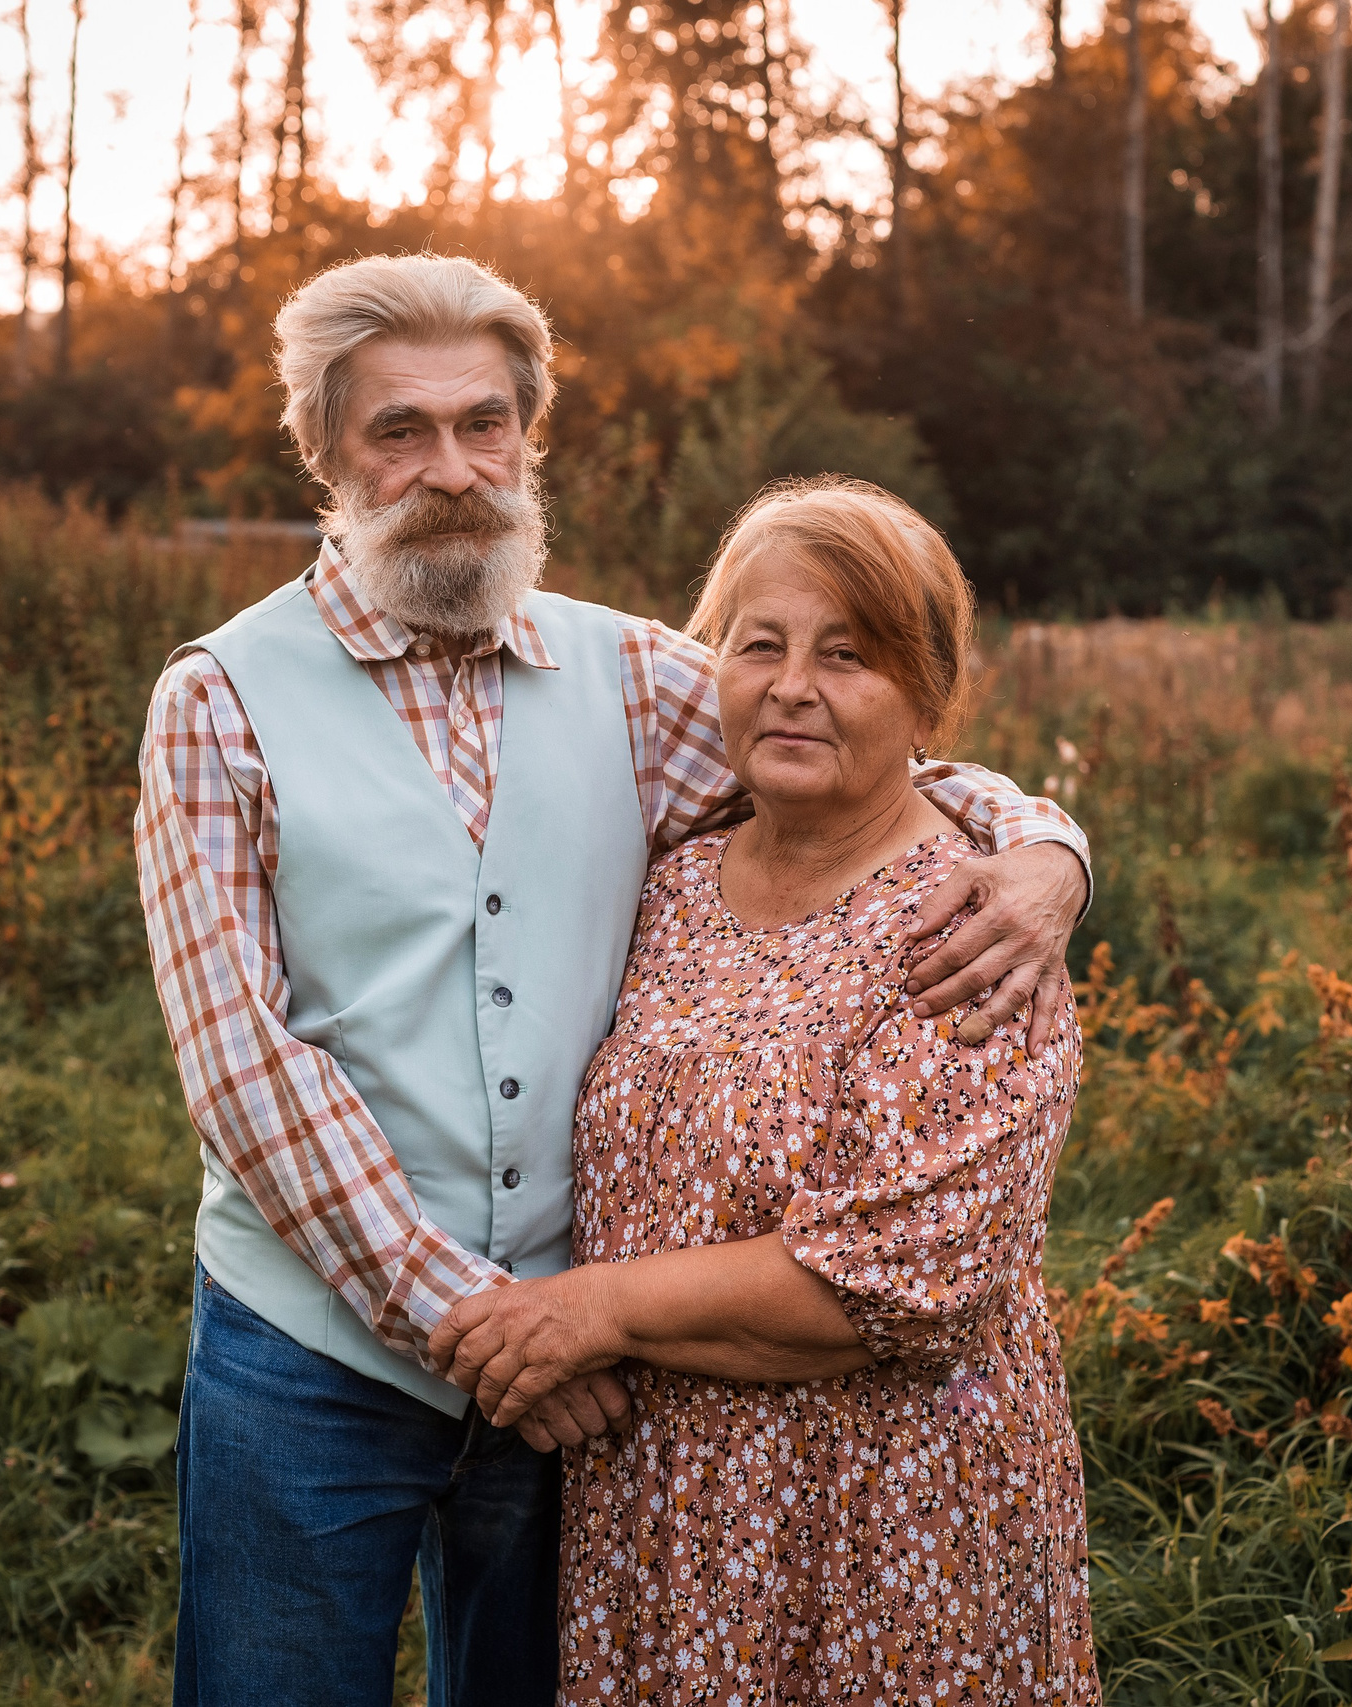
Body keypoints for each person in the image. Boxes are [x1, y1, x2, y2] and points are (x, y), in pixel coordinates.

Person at [133, 255, 1093, 1707]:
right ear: (326, 449)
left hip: (578, 1349)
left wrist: (1047, 854)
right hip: (322, 1351)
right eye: (400, 429)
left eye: (483, 423)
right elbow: (246, 1070)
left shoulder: (634, 675)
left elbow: (871, 750)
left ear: (530, 439)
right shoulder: (220, 697)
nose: (448, 468)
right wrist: (486, 1326)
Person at [431, 477, 1097, 1704]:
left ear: (925, 695)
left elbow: (902, 1279)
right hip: (661, 1505)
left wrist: (590, 1312)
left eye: (848, 655)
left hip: (884, 1520)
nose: (793, 685)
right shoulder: (670, 878)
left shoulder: (975, 925)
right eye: (760, 645)